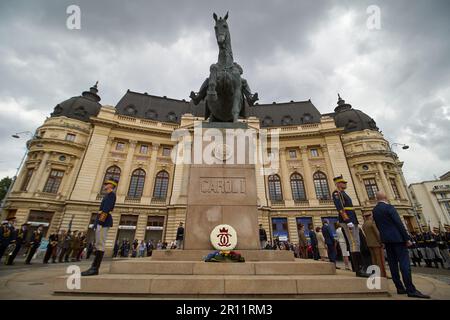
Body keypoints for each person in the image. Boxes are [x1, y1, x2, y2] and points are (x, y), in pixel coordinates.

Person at [372, 191, 430, 299]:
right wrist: (406, 238)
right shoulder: (389, 208)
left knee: (393, 265)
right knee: (404, 264)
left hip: (387, 240)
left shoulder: (375, 210)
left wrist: (383, 239)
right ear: (386, 197)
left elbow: (378, 226)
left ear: (377, 198)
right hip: (397, 239)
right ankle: (410, 289)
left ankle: (399, 287)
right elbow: (399, 223)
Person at [332, 174, 368, 277]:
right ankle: (359, 269)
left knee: (356, 243)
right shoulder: (337, 193)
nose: (345, 184)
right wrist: (347, 220)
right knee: (353, 243)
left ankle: (361, 268)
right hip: (348, 220)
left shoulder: (343, 193)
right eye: (343, 182)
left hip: (352, 218)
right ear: (338, 184)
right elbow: (340, 208)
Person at [82, 179, 117, 276]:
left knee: (100, 244)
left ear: (111, 185)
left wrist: (100, 222)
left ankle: (95, 268)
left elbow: (106, 209)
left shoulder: (111, 195)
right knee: (98, 244)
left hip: (104, 221)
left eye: (106, 184)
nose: (104, 185)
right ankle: (94, 267)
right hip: (101, 220)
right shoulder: (107, 195)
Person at [362, 212, 387, 277]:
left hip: (369, 243)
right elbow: (377, 233)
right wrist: (381, 242)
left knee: (374, 259)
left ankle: (376, 272)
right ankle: (382, 274)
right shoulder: (372, 223)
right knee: (380, 260)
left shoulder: (364, 224)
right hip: (376, 243)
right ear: (370, 216)